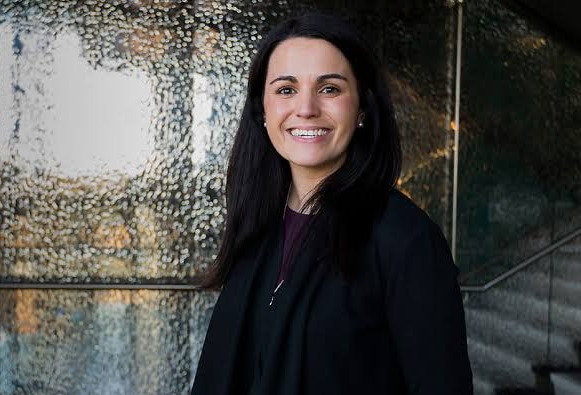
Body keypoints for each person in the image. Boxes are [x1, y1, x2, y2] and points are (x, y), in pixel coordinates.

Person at [191, 13, 473, 395]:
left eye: (329, 89)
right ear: (262, 109)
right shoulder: (258, 227)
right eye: (286, 89)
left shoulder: (406, 241)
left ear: (361, 110)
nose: (305, 108)